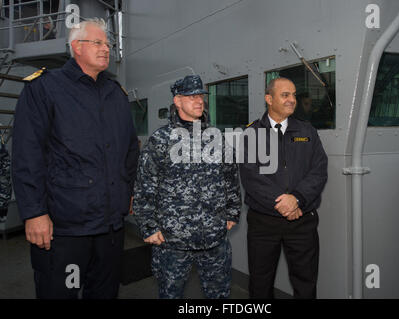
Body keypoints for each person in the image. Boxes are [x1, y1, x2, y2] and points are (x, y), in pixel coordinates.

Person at [12, 18, 139, 299]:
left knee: (104, 293)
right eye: (98, 43)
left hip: (110, 227)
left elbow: (130, 150)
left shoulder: (116, 94)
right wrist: (34, 213)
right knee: (63, 293)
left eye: (108, 44)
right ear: (76, 47)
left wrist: (126, 191)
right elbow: (26, 155)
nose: (106, 49)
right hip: (65, 228)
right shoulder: (44, 88)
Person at [133, 75, 241, 299]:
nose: (199, 101)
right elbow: (145, 186)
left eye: (201, 96)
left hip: (214, 238)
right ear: (177, 101)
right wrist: (149, 227)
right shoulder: (161, 140)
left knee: (219, 295)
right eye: (192, 96)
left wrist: (232, 212)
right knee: (170, 294)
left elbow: (230, 178)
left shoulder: (217, 138)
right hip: (173, 240)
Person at [239, 77, 328, 299]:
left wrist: (296, 198)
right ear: (269, 99)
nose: (292, 100)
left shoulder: (307, 131)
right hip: (264, 222)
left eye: (294, 95)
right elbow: (251, 176)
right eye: (285, 95)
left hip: (302, 220)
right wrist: (284, 202)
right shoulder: (252, 133)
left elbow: (319, 170)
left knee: (306, 282)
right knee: (260, 283)